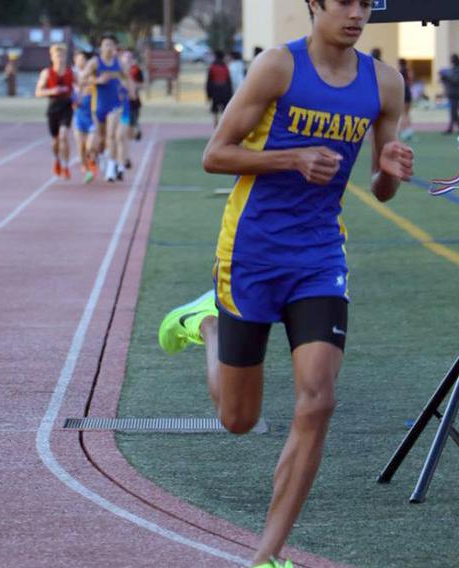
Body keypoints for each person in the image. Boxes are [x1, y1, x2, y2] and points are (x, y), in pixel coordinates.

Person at [156, 1, 414, 567]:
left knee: (318, 400)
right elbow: (214, 155)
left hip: (320, 255)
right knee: (238, 419)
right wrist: (292, 158)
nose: (355, 13)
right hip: (251, 251)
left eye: (364, 3)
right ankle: (206, 323)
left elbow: (380, 185)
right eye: (342, 2)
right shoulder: (278, 67)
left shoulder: (385, 83)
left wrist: (388, 170)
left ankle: (267, 557)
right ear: (314, 6)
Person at [83, 34, 131, 182]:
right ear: (101, 47)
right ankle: (105, 158)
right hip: (98, 106)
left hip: (114, 105)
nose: (109, 48)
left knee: (112, 135)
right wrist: (97, 80)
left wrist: (124, 85)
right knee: (102, 139)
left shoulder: (119, 63)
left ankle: (111, 169)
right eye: (106, 45)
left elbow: (126, 77)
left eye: (112, 45)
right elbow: (83, 78)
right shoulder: (95, 63)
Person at [36, 43, 75, 180]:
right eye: (57, 55)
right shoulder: (46, 73)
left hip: (67, 107)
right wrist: (51, 91)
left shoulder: (71, 72)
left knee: (64, 135)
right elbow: (38, 92)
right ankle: (56, 159)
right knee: (56, 140)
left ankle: (66, 165)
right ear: (52, 57)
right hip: (53, 107)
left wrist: (79, 97)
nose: (60, 58)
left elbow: (81, 87)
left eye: (62, 55)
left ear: (65, 57)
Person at [73, 50, 98, 183]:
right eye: (79, 59)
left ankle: (92, 162)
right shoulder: (72, 76)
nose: (81, 61)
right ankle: (86, 168)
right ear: (75, 60)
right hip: (78, 117)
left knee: (90, 146)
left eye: (84, 59)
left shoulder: (92, 76)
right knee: (80, 146)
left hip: (91, 116)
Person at [206, 50, 233, 128]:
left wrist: (208, 93)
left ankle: (216, 124)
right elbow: (228, 81)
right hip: (224, 89)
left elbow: (209, 81)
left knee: (215, 109)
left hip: (215, 89)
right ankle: (223, 125)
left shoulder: (212, 67)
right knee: (225, 109)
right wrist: (230, 93)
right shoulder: (225, 67)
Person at [439, 54, 459, 134]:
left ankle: (456, 128)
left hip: (456, 93)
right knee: (453, 111)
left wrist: (446, 77)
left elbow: (455, 80)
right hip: (452, 93)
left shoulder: (458, 70)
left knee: (454, 111)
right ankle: (457, 128)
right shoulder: (454, 69)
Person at [123, 49, 144, 142]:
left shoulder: (136, 70)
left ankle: (135, 130)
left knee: (132, 122)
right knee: (124, 124)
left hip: (133, 102)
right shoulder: (118, 70)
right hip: (121, 104)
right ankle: (132, 132)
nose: (127, 59)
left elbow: (142, 85)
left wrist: (133, 86)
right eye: (125, 57)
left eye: (129, 57)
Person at [398, 58, 414, 140]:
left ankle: (404, 130)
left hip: (404, 92)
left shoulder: (400, 72)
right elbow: (411, 80)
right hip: (408, 92)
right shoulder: (408, 70)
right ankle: (407, 130)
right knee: (406, 113)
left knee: (404, 113)